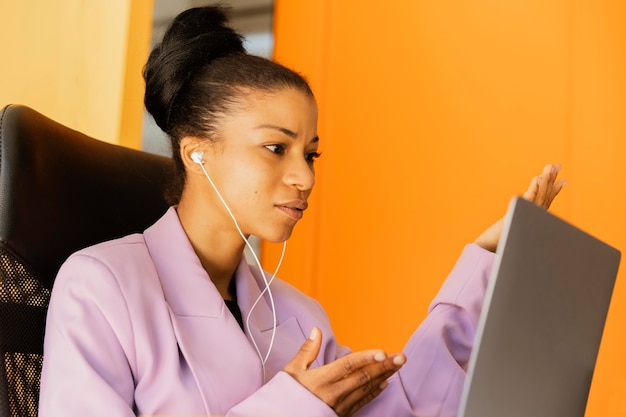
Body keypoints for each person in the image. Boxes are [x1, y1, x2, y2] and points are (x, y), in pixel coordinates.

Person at [38, 5, 566, 417]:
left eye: (310, 154)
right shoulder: (100, 287)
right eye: (276, 148)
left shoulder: (299, 316)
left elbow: (408, 406)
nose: (305, 177)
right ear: (196, 150)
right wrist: (294, 405)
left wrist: (485, 261)